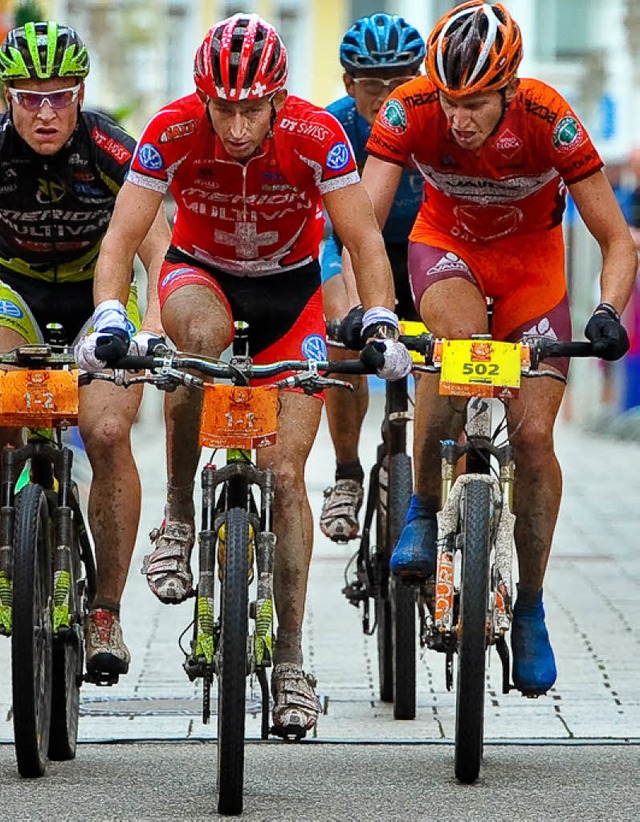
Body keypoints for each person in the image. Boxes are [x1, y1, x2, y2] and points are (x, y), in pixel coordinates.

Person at [76, 13, 410, 737]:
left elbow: (362, 239)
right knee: (198, 340)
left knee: (287, 475)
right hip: (202, 278)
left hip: (292, 297)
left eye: (250, 108)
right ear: (202, 98)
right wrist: (108, 311)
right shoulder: (171, 130)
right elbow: (123, 237)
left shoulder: (316, 136)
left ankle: (290, 660)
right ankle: (179, 516)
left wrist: (379, 318)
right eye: (221, 108)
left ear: (278, 99)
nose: (234, 126)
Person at [356, 1, 636, 696]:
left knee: (536, 437)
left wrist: (606, 310)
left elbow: (618, 239)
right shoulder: (410, 107)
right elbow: (361, 224)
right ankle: (423, 508)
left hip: (532, 268)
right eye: (450, 102)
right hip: (445, 249)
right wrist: (377, 313)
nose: (459, 120)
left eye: (476, 104)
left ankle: (532, 605)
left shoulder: (549, 119)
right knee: (458, 348)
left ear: (510, 89)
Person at [0, 21, 171, 679]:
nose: (46, 112)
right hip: (14, 294)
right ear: (9, 97)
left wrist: (153, 324)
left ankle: (105, 611)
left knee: (104, 431)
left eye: (61, 96)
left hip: (97, 302)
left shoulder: (106, 145)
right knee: (7, 415)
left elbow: (157, 247)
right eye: (30, 98)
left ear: (81, 94)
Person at [318, 13, 425, 543]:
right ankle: (346, 473)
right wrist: (354, 309)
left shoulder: (436, 121)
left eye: (401, 83)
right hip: (354, 251)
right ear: (348, 85)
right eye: (372, 85)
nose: (387, 98)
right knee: (341, 336)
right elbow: (335, 240)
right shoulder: (334, 129)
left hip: (424, 256)